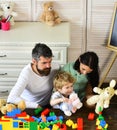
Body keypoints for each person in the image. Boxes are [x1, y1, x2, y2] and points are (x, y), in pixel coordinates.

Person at [7, 43, 60, 108]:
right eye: (44, 63)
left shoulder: (55, 67)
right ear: (34, 61)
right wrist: (36, 106)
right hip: (30, 107)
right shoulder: (26, 73)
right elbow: (11, 98)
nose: (48, 66)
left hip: (48, 105)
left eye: (50, 61)